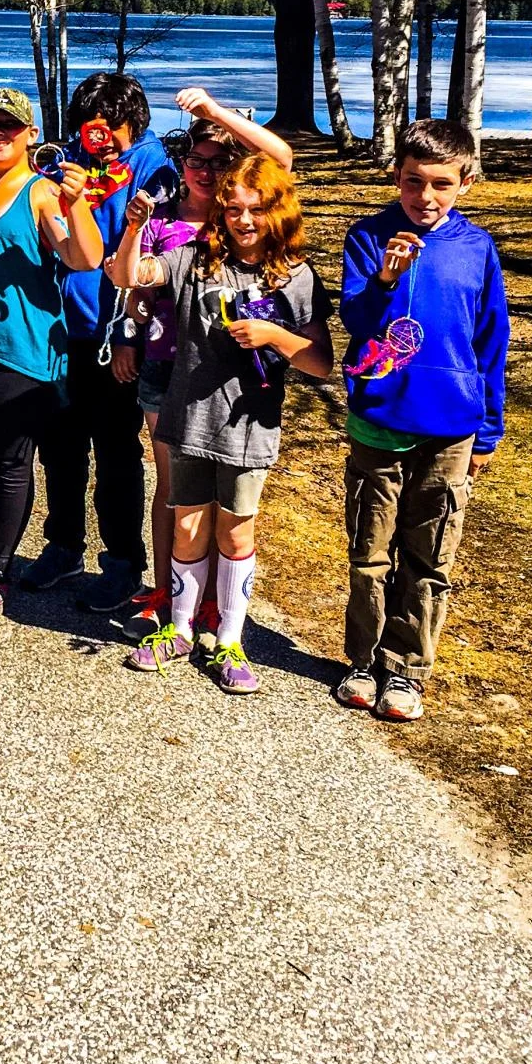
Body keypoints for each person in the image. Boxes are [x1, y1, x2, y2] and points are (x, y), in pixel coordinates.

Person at [108, 154, 333, 694]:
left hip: (248, 427)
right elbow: (128, 276)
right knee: (187, 527)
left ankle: (230, 639)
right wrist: (135, 228)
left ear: (279, 211)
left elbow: (322, 363)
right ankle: (180, 629)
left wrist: (274, 336)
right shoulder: (194, 258)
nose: (244, 220)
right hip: (189, 418)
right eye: (233, 209)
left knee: (235, 530)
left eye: (256, 210)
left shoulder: (295, 276)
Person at [335, 118, 509, 723]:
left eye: (441, 184)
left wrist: (488, 429)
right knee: (370, 551)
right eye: (413, 181)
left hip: (451, 426)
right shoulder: (368, 236)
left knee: (430, 555)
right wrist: (386, 278)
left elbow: (491, 342)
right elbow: (357, 320)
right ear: (396, 176)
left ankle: (406, 668)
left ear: (466, 182)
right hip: (380, 418)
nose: (425, 196)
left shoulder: (476, 248)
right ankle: (363, 661)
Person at [120, 88, 295, 641]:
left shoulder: (240, 219)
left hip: (228, 376)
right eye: (196, 160)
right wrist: (129, 333)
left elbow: (281, 158)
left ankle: (215, 603)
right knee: (175, 489)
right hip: (166, 367)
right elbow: (133, 284)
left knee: (225, 500)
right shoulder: (163, 220)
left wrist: (216, 113)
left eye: (220, 164)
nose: (205, 172)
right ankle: (166, 592)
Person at [0, 87, 105, 623]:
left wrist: (76, 203)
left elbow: (83, 258)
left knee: (11, 465)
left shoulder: (42, 193)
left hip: (23, 352)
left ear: (31, 134)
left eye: (9, 126)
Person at [24, 71, 177, 612]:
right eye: (91, 127)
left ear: (133, 122)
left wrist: (133, 333)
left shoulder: (154, 169)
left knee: (116, 453)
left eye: (112, 127)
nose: (101, 138)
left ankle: (122, 564)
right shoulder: (67, 159)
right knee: (60, 446)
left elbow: (159, 256)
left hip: (116, 336)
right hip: (59, 330)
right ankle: (63, 546)